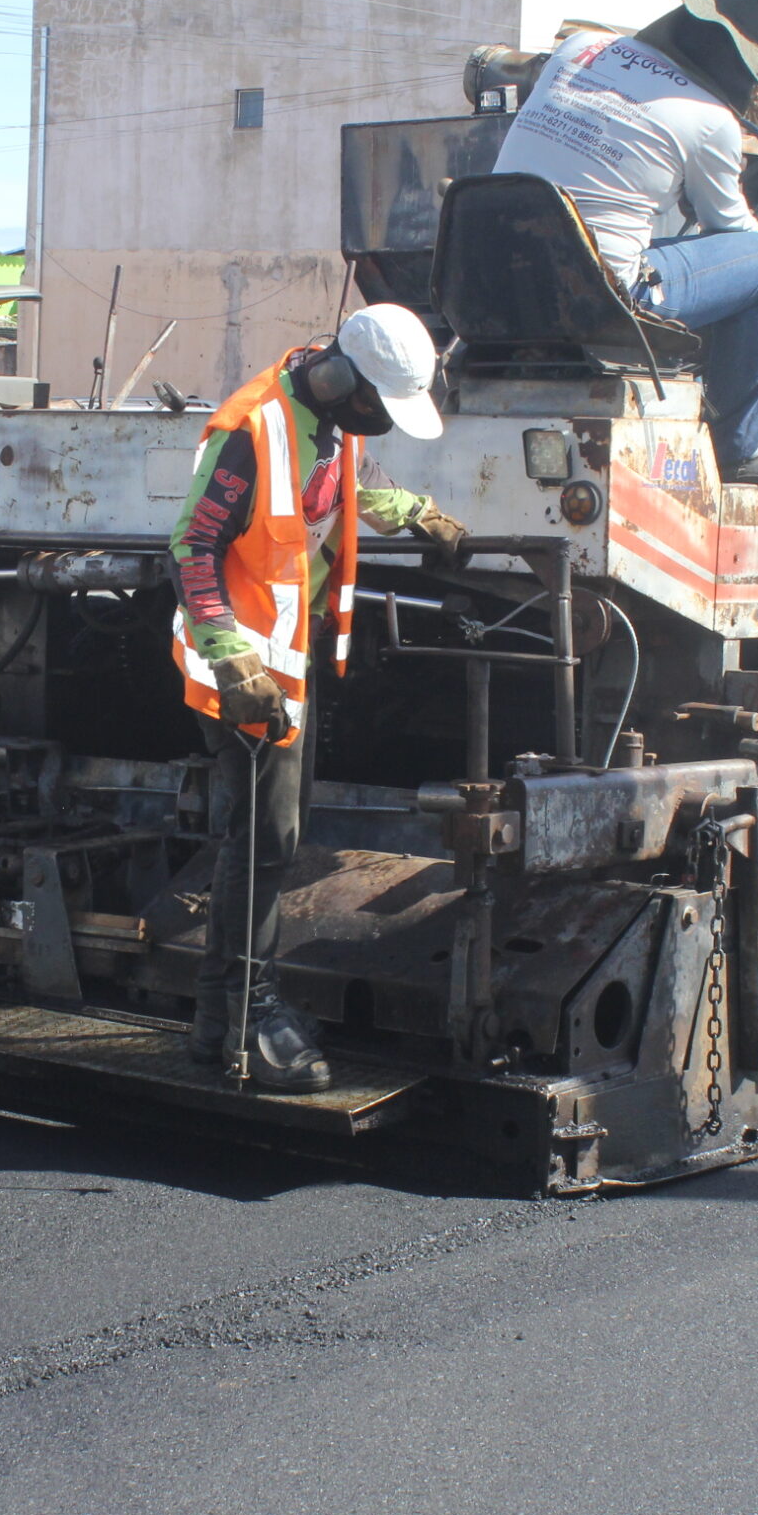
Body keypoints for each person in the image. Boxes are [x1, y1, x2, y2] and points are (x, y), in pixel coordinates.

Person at [169, 303, 469, 1092]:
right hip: (244, 675)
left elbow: (336, 490)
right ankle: (247, 1015)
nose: (382, 421)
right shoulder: (252, 427)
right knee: (263, 842)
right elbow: (191, 547)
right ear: (343, 380)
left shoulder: (334, 417)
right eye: (379, 405)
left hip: (285, 667)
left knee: (265, 839)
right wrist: (233, 662)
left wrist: (414, 513)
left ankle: (217, 1023)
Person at [491, 0, 758, 484]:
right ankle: (738, 449)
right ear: (742, 65)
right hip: (601, 294)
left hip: (496, 274)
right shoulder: (712, 122)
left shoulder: (581, 46)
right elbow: (731, 232)